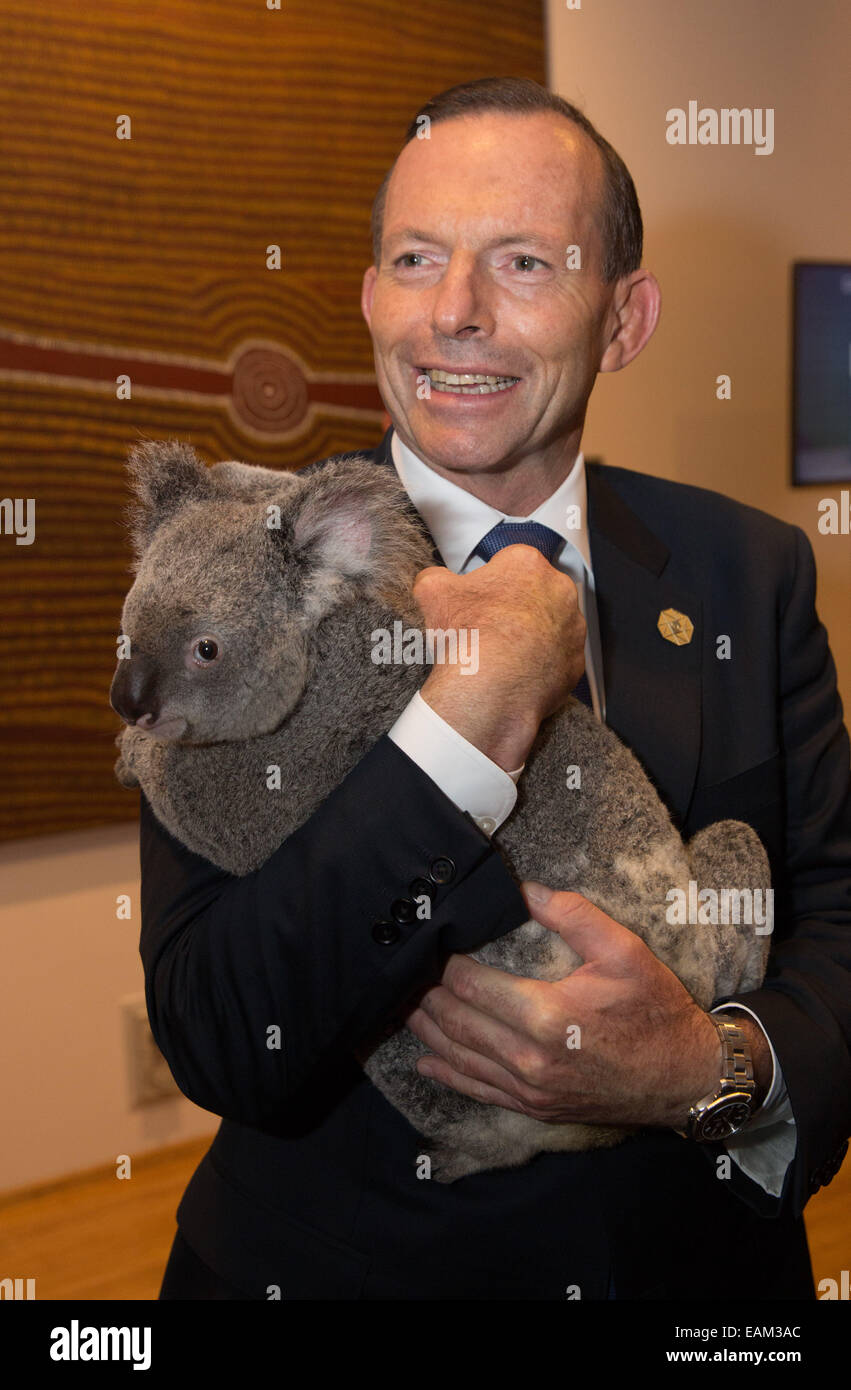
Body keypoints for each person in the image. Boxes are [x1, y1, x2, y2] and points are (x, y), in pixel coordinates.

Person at [143, 77, 851, 1300]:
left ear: (623, 320)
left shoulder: (751, 568)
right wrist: (465, 720)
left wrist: (698, 1064)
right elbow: (219, 1026)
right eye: (417, 258)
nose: (453, 314)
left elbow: (834, 915)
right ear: (370, 296)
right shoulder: (227, 569)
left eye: (523, 262)